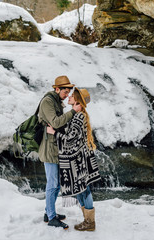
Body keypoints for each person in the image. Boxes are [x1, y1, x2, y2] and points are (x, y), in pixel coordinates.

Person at [47, 88, 101, 231]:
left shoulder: (79, 117)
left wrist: (54, 133)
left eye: (72, 95)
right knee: (81, 190)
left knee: (84, 190)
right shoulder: (78, 115)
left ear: (77, 100)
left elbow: (70, 140)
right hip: (77, 160)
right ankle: (87, 220)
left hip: (78, 161)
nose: (69, 96)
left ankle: (89, 223)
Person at [38, 75, 82, 229]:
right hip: (49, 149)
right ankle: (51, 218)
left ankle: (48, 212)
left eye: (69, 90)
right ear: (57, 89)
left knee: (56, 185)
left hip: (56, 147)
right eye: (65, 91)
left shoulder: (57, 101)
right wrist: (73, 112)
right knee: (53, 184)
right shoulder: (48, 102)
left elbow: (59, 124)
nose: (68, 94)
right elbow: (56, 122)